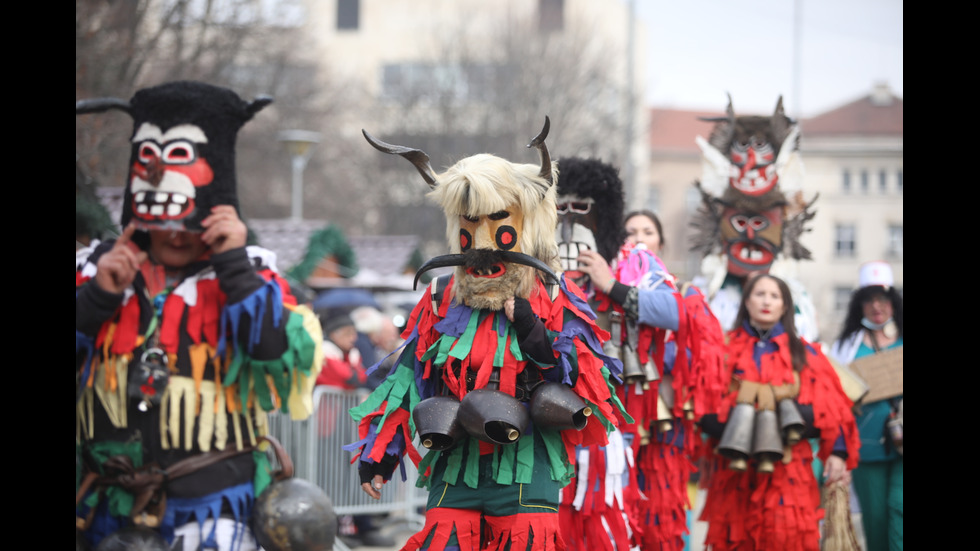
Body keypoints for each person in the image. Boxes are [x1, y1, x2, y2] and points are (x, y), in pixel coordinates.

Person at [348, 120, 626, 550]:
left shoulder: (556, 295)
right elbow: (408, 382)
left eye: (498, 219)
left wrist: (533, 330)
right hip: (456, 466)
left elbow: (583, 387)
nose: (481, 242)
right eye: (469, 221)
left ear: (527, 222)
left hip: (525, 468)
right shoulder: (441, 298)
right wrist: (380, 456)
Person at [75, 81, 323, 550]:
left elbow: (271, 351)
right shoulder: (96, 267)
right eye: (163, 225)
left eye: (188, 225)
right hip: (106, 509)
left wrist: (232, 265)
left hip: (214, 508)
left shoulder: (251, 270)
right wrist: (98, 298)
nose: (176, 236)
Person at [576, 211, 726, 551]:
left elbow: (701, 353)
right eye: (630, 232)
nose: (639, 237)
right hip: (616, 419)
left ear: (660, 242)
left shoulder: (683, 291)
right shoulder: (590, 289)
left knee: (661, 515)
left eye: (648, 231)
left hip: (662, 424)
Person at [698, 274, 860, 551]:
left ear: (785, 306)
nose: (766, 301)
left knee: (786, 538)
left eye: (775, 296)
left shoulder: (806, 353)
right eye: (760, 294)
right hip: (734, 468)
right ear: (746, 301)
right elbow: (702, 402)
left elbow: (834, 407)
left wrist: (838, 452)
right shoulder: (722, 350)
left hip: (789, 468)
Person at [690, 95, 819, 341]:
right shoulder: (702, 295)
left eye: (761, 223)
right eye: (739, 223)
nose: (750, 235)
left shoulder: (797, 301)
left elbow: (805, 345)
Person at [830, 261, 903, 551]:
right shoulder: (845, 347)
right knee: (875, 517)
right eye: (869, 300)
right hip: (866, 446)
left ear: (893, 302)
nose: (877, 306)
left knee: (899, 508)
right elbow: (834, 400)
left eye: (882, 299)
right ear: (859, 304)